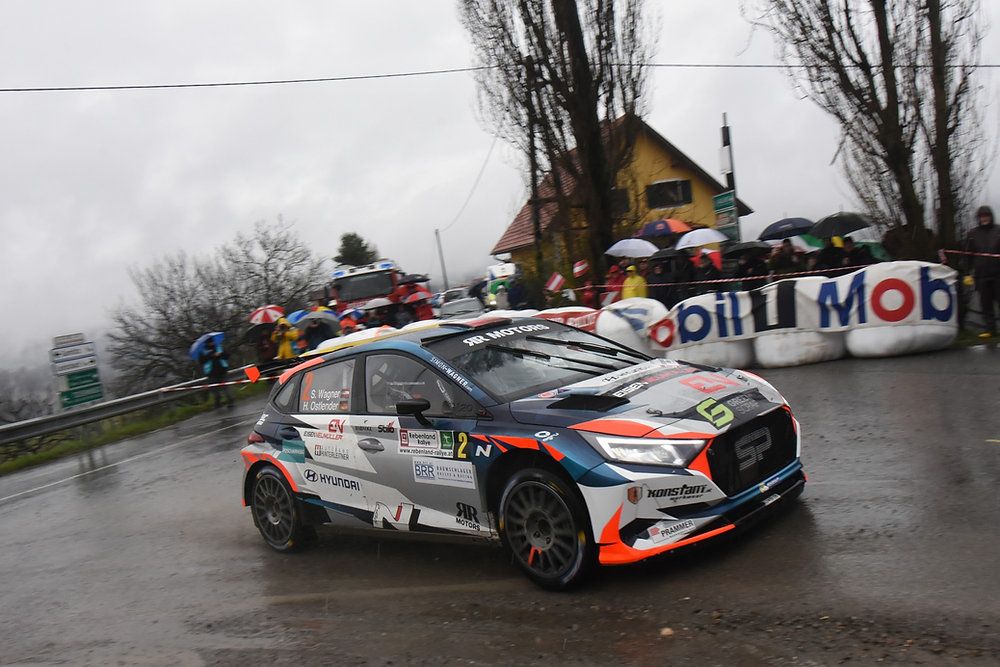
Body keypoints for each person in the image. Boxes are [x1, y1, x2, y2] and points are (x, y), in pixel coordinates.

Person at [965, 205, 1000, 337]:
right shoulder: (972, 234)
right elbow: (968, 255)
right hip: (982, 276)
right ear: (978, 218)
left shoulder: (998, 230)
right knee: (986, 304)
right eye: (981, 216)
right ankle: (991, 330)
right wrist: (967, 273)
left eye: (986, 216)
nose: (984, 218)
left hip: (998, 274)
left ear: (991, 216)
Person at [198, 338, 234, 409]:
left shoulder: (219, 347)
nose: (212, 343)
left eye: (212, 342)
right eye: (210, 342)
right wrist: (210, 355)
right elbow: (201, 361)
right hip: (211, 374)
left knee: (226, 389)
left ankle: (230, 402)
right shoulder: (203, 351)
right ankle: (217, 403)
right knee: (215, 392)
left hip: (222, 371)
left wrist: (220, 354)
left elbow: (227, 356)